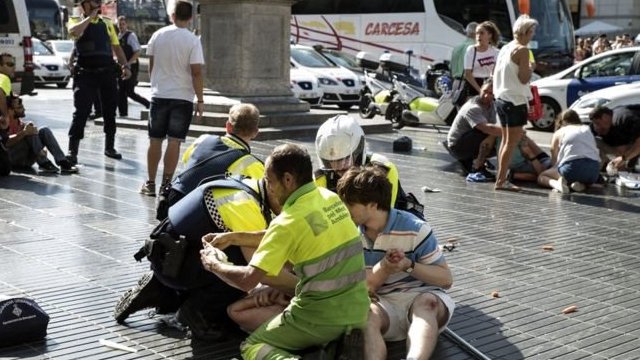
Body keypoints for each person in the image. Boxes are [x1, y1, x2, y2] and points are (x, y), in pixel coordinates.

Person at [200, 143, 370, 360]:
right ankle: (329, 348)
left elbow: (247, 281)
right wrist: (233, 237)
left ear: (288, 180)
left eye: (269, 181)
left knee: (252, 346)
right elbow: (290, 234)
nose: (268, 187)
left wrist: (214, 264)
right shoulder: (329, 198)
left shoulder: (287, 222)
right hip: (358, 311)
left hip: (320, 315)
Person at [114, 175, 296, 341]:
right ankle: (197, 313)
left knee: (229, 248)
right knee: (239, 268)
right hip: (178, 265)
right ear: (274, 187)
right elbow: (259, 272)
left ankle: (161, 290)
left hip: (166, 256)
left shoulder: (247, 184)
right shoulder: (245, 206)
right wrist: (304, 288)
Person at [336, 166, 454, 360]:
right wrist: (385, 267)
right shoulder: (350, 234)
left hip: (420, 297)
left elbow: (446, 279)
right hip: (383, 304)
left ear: (373, 205)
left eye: (349, 203)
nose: (344, 208)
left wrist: (409, 265)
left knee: (427, 304)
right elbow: (366, 287)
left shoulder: (415, 228)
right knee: (365, 315)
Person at [154, 103, 264, 220]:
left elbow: (186, 160)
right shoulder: (251, 164)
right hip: (203, 214)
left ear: (228, 126)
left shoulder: (202, 140)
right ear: (255, 132)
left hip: (174, 204)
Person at [141, 0, 205, 197]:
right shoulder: (193, 41)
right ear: (191, 17)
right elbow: (196, 72)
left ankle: (150, 183)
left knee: (155, 140)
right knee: (174, 142)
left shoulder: (157, 35)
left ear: (173, 15)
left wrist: (156, 85)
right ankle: (166, 185)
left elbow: (151, 65)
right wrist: (200, 99)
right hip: (183, 96)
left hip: (159, 94)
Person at [315, 115, 424, 219]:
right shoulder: (321, 178)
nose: (339, 166)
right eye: (331, 161)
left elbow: (381, 219)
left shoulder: (383, 170)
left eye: (344, 158)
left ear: (358, 150)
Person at [66, 0, 132, 165]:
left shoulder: (107, 23)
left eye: (98, 2)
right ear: (84, 5)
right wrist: (89, 18)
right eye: (94, 2)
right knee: (81, 111)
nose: (97, 5)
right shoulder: (76, 20)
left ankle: (109, 147)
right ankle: (72, 151)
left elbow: (116, 48)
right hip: (85, 75)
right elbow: (74, 32)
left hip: (106, 73)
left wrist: (126, 66)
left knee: (110, 110)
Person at [492, 15, 538, 191]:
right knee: (511, 144)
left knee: (505, 142)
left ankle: (501, 177)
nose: (532, 36)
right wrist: (531, 67)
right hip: (515, 101)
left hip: (502, 99)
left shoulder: (506, 47)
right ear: (526, 32)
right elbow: (524, 77)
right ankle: (501, 180)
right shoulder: (523, 50)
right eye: (532, 32)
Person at [4, 95, 78, 173]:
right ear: (10, 110)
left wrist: (41, 149)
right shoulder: (3, 124)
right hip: (12, 160)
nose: (24, 109)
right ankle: (43, 162)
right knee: (29, 132)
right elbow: (5, 143)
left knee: (44, 130)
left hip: (27, 159)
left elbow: (34, 139)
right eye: (20, 108)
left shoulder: (21, 124)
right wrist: (24, 132)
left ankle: (62, 161)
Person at [445, 80, 501, 176]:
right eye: (484, 91)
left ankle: (479, 161)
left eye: (490, 93)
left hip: (472, 140)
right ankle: (477, 165)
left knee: (498, 136)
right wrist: (511, 133)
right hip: (457, 146)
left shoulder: (492, 106)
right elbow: (486, 128)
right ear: (480, 90)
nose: (486, 95)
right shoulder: (473, 107)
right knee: (489, 132)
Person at [538, 110, 600, 193]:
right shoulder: (587, 129)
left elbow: (553, 151)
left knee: (542, 176)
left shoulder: (560, 131)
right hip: (594, 172)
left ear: (562, 121)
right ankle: (579, 185)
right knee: (580, 175)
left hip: (571, 169)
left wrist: (554, 168)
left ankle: (557, 185)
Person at [589, 105, 640, 173]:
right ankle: (597, 173)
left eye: (598, 123)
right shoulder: (596, 126)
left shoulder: (625, 118)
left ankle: (627, 170)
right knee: (594, 142)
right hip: (625, 145)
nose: (597, 127)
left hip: (635, 143)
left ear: (605, 117)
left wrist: (623, 158)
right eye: (595, 124)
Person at [116, 16, 150, 118]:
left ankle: (149, 104)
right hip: (121, 67)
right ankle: (123, 113)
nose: (121, 26)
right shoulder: (118, 36)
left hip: (132, 66)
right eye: (119, 24)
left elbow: (137, 51)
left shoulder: (130, 36)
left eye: (123, 24)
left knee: (129, 92)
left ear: (126, 24)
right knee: (120, 91)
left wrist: (128, 63)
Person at [463, 21, 500, 98]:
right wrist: (480, 90)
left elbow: (495, 73)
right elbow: (467, 74)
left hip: (489, 86)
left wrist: (488, 89)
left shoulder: (496, 52)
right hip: (474, 86)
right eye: (477, 33)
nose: (478, 36)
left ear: (489, 35)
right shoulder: (471, 50)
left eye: (482, 33)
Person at [450, 22, 477, 99]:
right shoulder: (474, 48)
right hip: (469, 85)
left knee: (459, 110)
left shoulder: (457, 47)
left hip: (456, 84)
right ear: (475, 33)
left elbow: (451, 67)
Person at [0, 53, 15, 117]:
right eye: (10, 65)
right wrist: (5, 116)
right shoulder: (4, 78)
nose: (14, 67)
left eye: (13, 64)